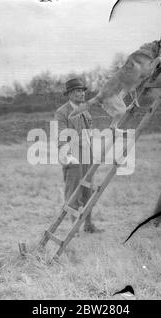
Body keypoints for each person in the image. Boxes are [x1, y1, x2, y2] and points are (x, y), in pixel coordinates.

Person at [54, 78, 103, 233]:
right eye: (77, 91)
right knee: (73, 193)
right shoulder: (62, 112)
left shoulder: (85, 110)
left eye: (83, 91)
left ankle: (89, 225)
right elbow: (62, 136)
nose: (81, 94)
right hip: (72, 158)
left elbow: (90, 132)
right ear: (69, 94)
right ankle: (73, 230)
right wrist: (68, 156)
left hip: (87, 156)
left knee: (88, 191)